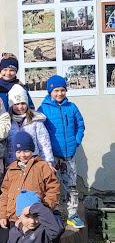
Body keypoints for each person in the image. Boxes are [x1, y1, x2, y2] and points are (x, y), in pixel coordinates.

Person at [39, 75, 85, 228]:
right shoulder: (43, 109)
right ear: (50, 92)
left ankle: (72, 214)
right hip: (52, 157)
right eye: (56, 90)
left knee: (71, 185)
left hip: (68, 155)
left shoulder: (72, 107)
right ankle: (54, 213)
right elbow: (39, 129)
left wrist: (76, 141)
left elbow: (80, 125)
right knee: (52, 185)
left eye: (62, 90)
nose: (59, 93)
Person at [0, 132, 60, 227]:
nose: (22, 155)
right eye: (18, 152)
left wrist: (45, 208)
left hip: (34, 218)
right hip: (14, 218)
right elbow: (5, 193)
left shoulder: (42, 166)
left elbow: (53, 189)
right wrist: (3, 215)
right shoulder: (11, 169)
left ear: (32, 150)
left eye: (26, 151)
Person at [7, 84, 53, 166]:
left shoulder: (35, 120)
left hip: (33, 161)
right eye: (16, 104)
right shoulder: (7, 121)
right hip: (14, 162)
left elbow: (44, 142)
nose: (20, 107)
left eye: (23, 103)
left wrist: (48, 161)